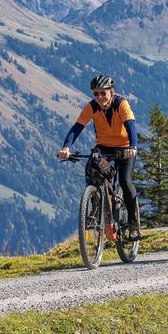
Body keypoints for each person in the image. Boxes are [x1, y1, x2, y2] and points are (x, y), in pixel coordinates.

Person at [57, 74, 141, 240]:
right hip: (103, 147)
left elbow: (131, 126)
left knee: (125, 181)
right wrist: (67, 147)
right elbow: (77, 128)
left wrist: (133, 147)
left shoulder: (121, 104)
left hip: (125, 148)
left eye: (103, 93)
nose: (99, 97)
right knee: (92, 170)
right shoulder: (92, 107)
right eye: (96, 93)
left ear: (111, 91)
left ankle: (133, 224)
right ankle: (96, 203)